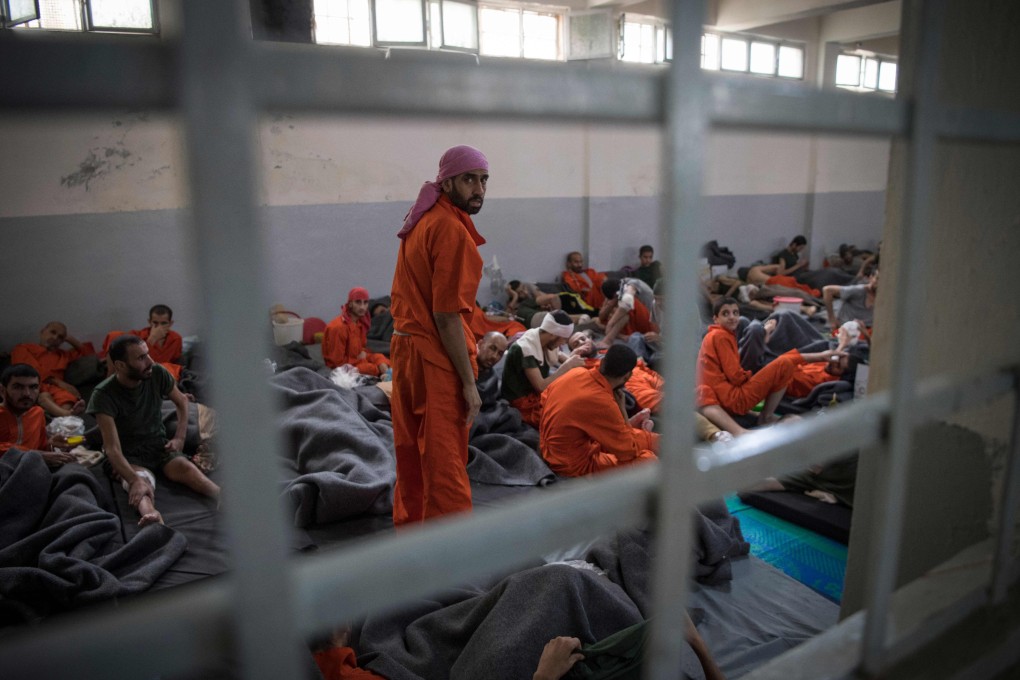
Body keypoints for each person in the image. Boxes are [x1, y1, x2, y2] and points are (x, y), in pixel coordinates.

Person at [389, 144, 490, 525]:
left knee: (410, 455)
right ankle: (452, 561)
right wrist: (468, 383)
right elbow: (447, 316)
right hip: (433, 357)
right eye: (469, 179)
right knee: (444, 461)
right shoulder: (450, 231)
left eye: (483, 180)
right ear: (447, 181)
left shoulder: (422, 220)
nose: (478, 189)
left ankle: (412, 542)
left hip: (405, 349)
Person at [87, 335, 220, 526]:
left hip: (158, 446)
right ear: (121, 365)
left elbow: (182, 400)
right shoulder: (103, 395)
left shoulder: (156, 373)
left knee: (184, 467)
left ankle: (221, 496)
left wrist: (180, 437)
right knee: (142, 482)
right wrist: (133, 480)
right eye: (141, 358)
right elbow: (112, 450)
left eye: (147, 354)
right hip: (127, 456)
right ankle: (151, 516)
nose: (150, 361)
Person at [696, 297, 840, 426]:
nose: (732, 317)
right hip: (733, 396)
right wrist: (754, 376)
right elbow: (735, 376)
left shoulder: (720, 335)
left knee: (764, 329)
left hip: (734, 386)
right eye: (725, 313)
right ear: (715, 319)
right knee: (779, 352)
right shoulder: (720, 336)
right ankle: (766, 416)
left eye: (735, 313)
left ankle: (764, 338)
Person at [539, 344, 657, 477]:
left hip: (560, 447)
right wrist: (622, 410)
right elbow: (628, 452)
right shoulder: (602, 401)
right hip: (570, 465)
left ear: (602, 361)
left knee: (651, 440)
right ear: (627, 376)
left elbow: (544, 398)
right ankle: (629, 427)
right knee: (648, 459)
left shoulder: (575, 373)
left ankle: (631, 429)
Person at [500, 310, 586, 427]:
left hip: (536, 395)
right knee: (569, 418)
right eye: (564, 339)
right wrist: (567, 366)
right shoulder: (525, 348)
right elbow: (541, 386)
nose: (563, 344)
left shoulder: (543, 339)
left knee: (579, 399)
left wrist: (578, 363)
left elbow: (559, 355)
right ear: (553, 335)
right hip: (523, 402)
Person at [11, 321, 93, 417]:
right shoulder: (23, 348)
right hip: (32, 384)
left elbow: (91, 357)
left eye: (60, 337)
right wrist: (58, 382)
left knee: (68, 397)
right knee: (44, 395)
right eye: (52, 332)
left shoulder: (63, 355)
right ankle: (65, 415)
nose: (55, 338)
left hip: (56, 389)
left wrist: (70, 339)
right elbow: (29, 371)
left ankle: (61, 418)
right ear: (42, 331)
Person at [0, 364, 76, 467]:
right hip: (7, 471)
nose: (27, 393)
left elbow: (42, 449)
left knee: (74, 468)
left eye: (33, 387)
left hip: (34, 469)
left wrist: (52, 444)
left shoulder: (38, 414)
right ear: (2, 390)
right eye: (18, 387)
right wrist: (36, 455)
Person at [101, 304, 185, 380]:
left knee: (167, 367)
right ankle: (110, 379)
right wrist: (151, 340)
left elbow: (175, 361)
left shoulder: (176, 339)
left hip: (158, 372)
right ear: (149, 322)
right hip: (137, 369)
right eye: (155, 323)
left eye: (163, 323)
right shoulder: (137, 336)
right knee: (114, 335)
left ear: (170, 323)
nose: (159, 327)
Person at [323, 287, 391, 378]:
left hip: (357, 358)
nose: (362, 307)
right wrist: (364, 362)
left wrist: (365, 355)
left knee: (380, 357)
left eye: (365, 302)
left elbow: (360, 349)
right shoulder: (338, 328)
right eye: (358, 302)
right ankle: (384, 374)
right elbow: (337, 363)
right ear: (350, 304)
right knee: (370, 368)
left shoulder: (359, 324)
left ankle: (387, 374)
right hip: (343, 366)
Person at [823, 269, 878, 352]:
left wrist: (866, 333)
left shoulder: (883, 297)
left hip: (867, 332)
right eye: (877, 279)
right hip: (847, 330)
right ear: (871, 278)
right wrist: (832, 319)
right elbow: (827, 290)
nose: (879, 283)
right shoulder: (858, 291)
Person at [596, 277, 660, 348]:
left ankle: (609, 340)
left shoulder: (631, 285)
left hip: (651, 323)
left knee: (627, 306)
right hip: (635, 322)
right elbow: (601, 317)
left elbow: (627, 302)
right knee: (599, 321)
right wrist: (610, 305)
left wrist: (610, 324)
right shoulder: (617, 286)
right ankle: (621, 336)